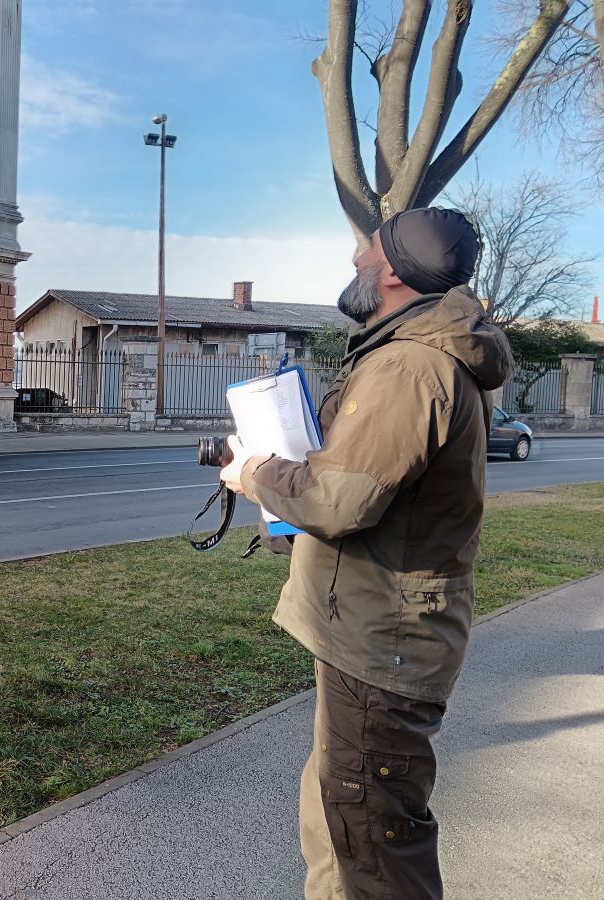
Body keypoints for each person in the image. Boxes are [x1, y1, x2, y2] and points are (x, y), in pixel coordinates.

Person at [218, 207, 513, 899]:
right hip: (373, 633)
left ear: (395, 274)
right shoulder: (409, 355)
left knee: (373, 847)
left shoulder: (410, 366)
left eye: (368, 250)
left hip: (383, 641)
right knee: (336, 822)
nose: (356, 259)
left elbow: (339, 501)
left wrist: (253, 473)